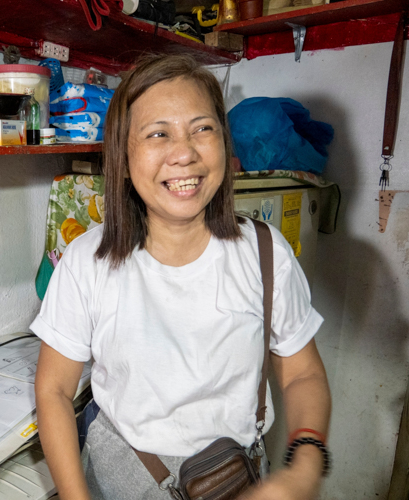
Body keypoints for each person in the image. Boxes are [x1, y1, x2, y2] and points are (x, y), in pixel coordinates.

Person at [31, 54, 331, 500]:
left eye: (202, 128)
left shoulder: (266, 253)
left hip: (236, 476)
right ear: (125, 157)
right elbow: (54, 390)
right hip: (123, 478)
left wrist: (305, 463)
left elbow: (301, 373)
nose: (185, 153)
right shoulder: (86, 261)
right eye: (158, 134)